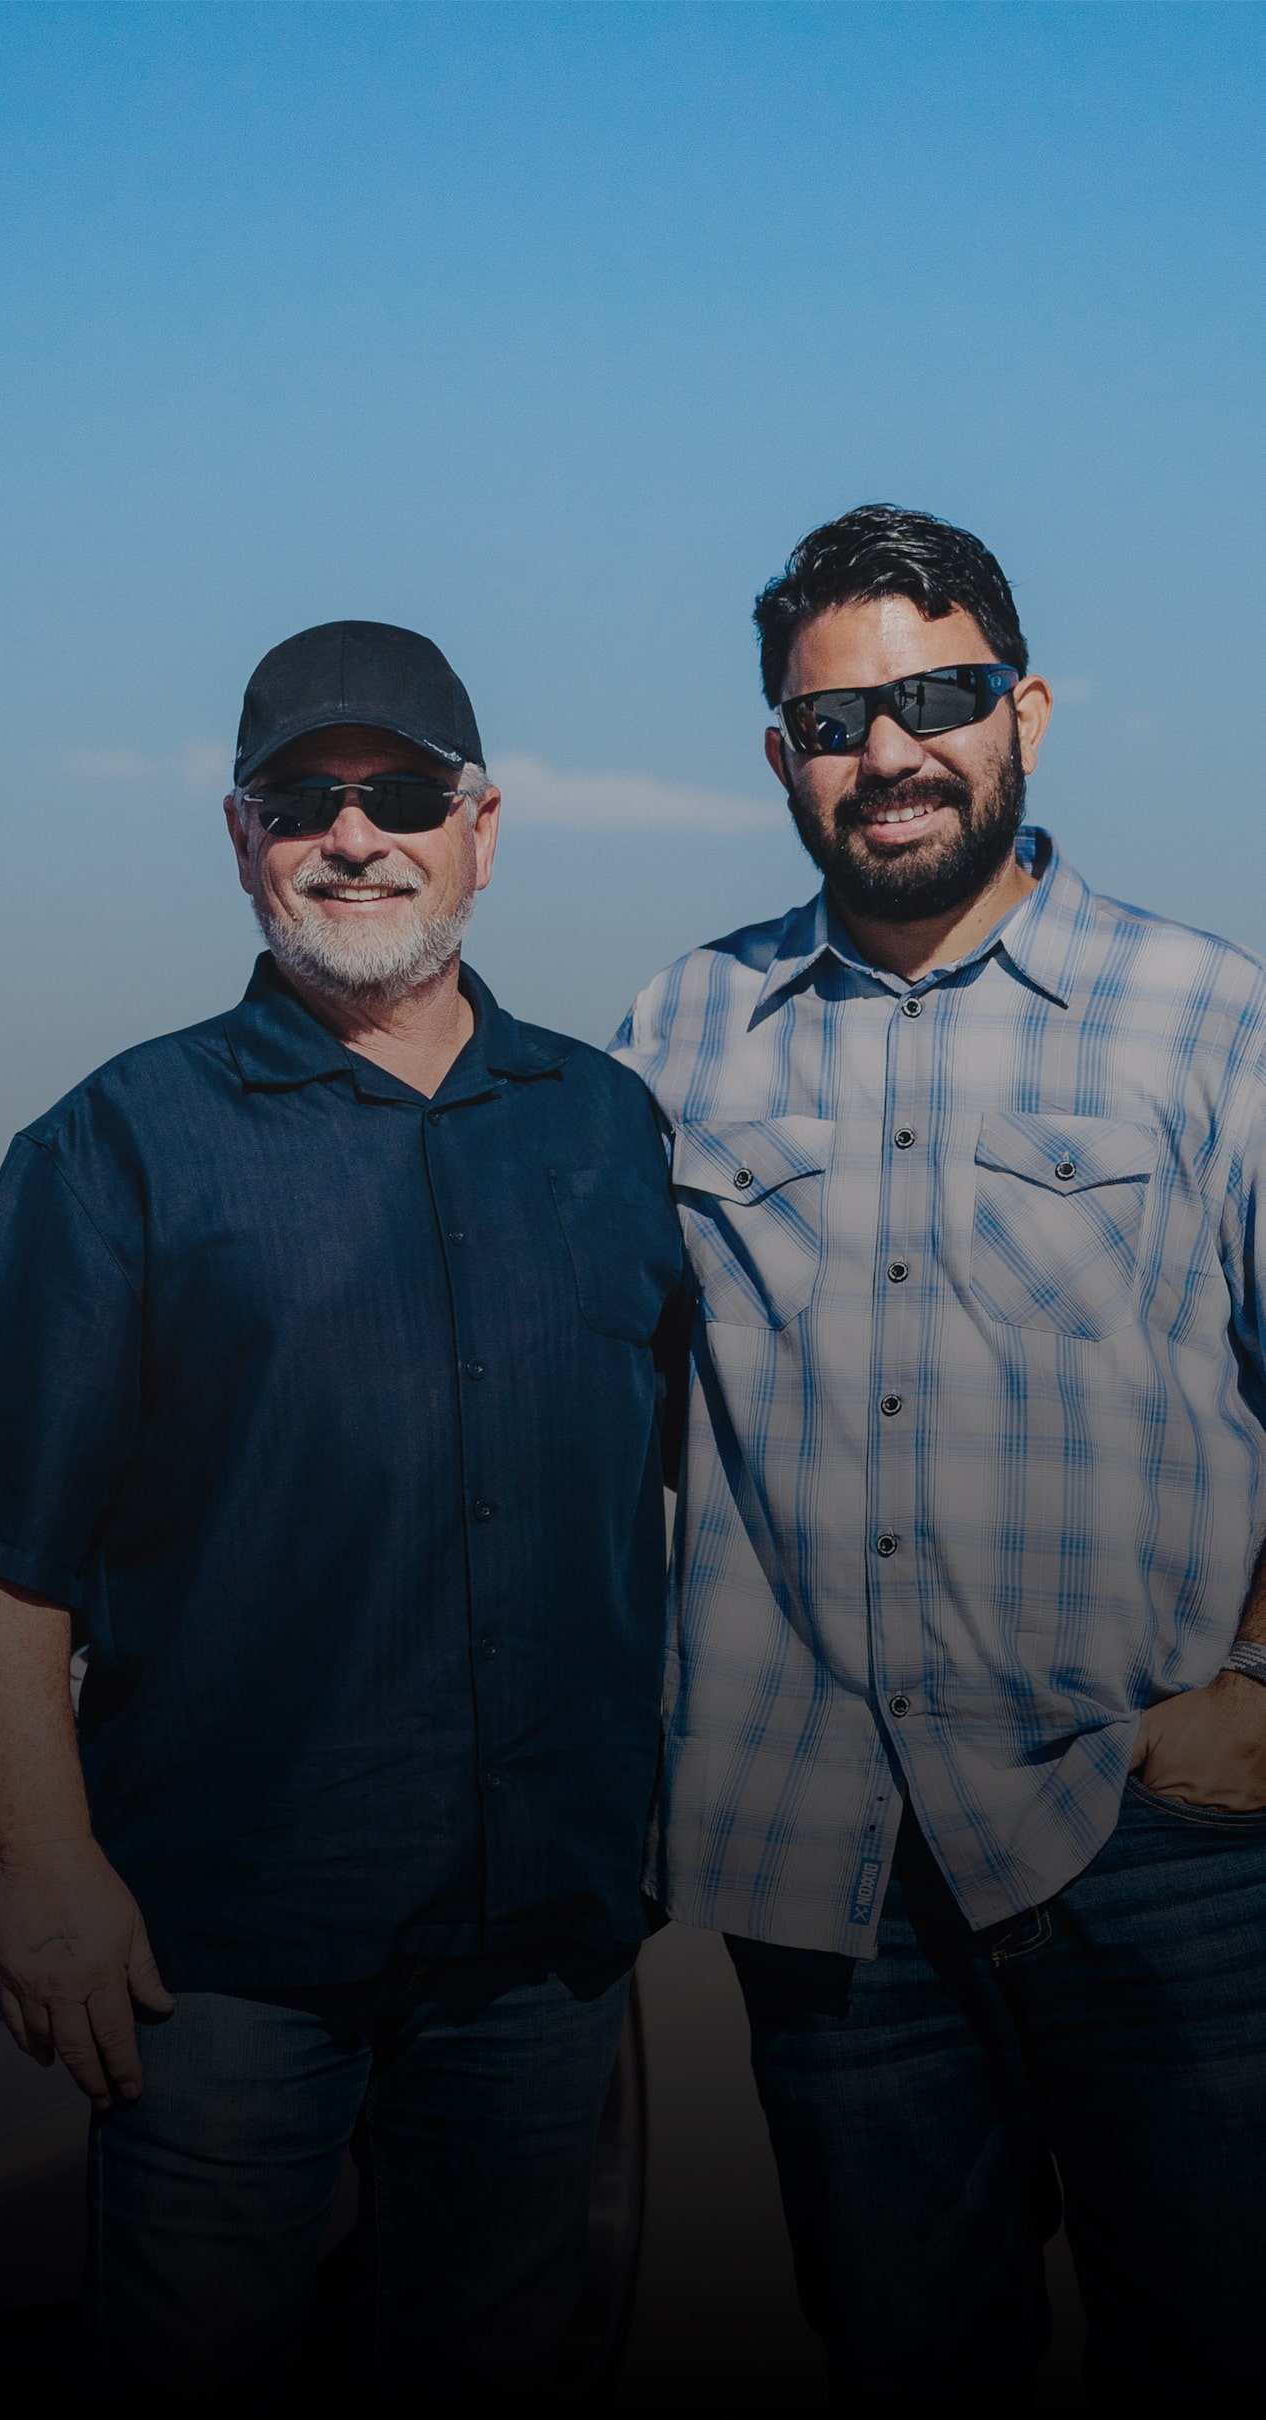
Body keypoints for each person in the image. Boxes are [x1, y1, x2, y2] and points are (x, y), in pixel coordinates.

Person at [613, 506, 1266, 2415]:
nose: (890, 751)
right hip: (823, 1863)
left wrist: (1254, 1686)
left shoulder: (1211, 1017)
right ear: (780, 758)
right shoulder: (677, 1032)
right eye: (836, 721)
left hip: (1158, 1833)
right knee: (905, 2370)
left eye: (941, 696)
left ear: (1026, 712)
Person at [0, 619, 685, 2412]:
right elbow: (15, 1567)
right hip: (216, 1963)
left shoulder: (612, 1136)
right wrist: (46, 1875)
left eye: (400, 794)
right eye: (305, 798)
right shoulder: (113, 1150)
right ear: (242, 838)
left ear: (484, 822)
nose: (353, 833)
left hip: (543, 1954)